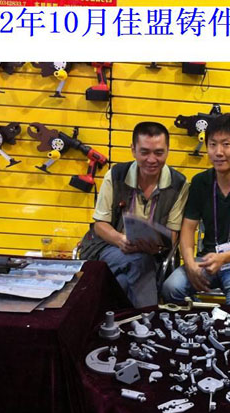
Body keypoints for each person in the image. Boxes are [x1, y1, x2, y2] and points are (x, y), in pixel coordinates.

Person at [161, 113, 230, 309]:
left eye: (226, 144)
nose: (218, 152)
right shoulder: (200, 182)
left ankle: (223, 325)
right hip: (207, 259)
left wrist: (224, 257)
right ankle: (201, 322)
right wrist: (190, 264)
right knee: (171, 288)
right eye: (213, 144)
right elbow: (188, 228)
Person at [79, 122, 189, 308]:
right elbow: (100, 225)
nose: (152, 159)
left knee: (123, 282)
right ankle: (149, 317)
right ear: (133, 150)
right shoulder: (116, 175)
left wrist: (157, 246)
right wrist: (121, 240)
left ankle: (114, 322)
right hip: (109, 248)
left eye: (159, 153)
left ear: (168, 151)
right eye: (144, 152)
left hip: (154, 255)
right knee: (140, 261)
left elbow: (173, 233)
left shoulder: (179, 184)